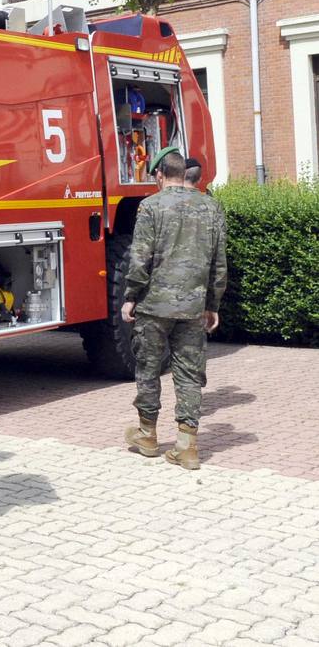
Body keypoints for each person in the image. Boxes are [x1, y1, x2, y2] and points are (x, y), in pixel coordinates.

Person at [121, 147, 227, 471]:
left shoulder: (150, 206)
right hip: (193, 307)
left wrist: (130, 296)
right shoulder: (211, 207)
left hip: (154, 306)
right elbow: (219, 264)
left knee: (148, 369)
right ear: (183, 173)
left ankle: (147, 435)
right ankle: (187, 446)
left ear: (159, 174)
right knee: (190, 374)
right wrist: (212, 305)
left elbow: (140, 258)